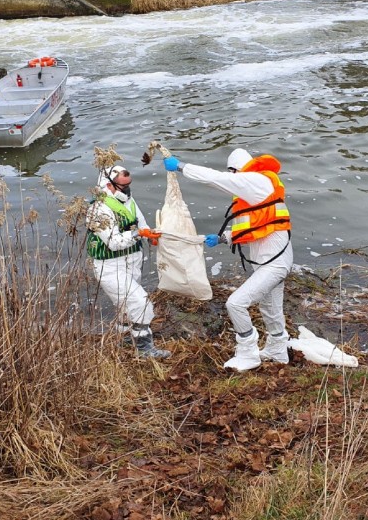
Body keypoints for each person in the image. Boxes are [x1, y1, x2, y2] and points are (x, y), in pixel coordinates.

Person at [163, 148, 292, 371]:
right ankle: (278, 350)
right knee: (270, 309)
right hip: (272, 262)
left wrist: (182, 166)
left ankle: (248, 354)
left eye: (232, 173)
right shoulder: (255, 189)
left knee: (235, 303)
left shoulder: (255, 180)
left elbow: (216, 178)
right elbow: (257, 227)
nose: (232, 178)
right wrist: (223, 237)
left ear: (236, 170)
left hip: (274, 264)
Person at [86, 164, 170, 359]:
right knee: (141, 303)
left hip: (132, 260)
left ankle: (124, 336)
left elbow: (141, 222)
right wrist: (138, 234)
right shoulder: (98, 209)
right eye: (123, 186)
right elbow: (114, 242)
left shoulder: (129, 201)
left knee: (125, 306)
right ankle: (144, 349)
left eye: (129, 184)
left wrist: (149, 233)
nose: (128, 189)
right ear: (109, 185)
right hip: (109, 266)